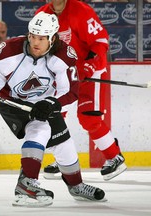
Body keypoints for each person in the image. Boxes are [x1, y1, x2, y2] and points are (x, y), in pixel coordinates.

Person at [0, 12, 106, 207]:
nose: (35, 42)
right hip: (13, 102)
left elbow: (69, 92)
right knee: (40, 128)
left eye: (42, 38)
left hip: (45, 103)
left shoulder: (63, 56)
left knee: (63, 142)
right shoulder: (9, 50)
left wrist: (52, 103)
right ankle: (26, 184)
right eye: (33, 36)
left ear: (53, 38)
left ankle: (76, 185)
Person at [36, 0, 127, 181]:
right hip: (62, 73)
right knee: (54, 114)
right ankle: (63, 159)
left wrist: (89, 64)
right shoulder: (42, 15)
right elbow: (37, 45)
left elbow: (100, 41)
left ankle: (114, 156)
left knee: (88, 117)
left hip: (89, 71)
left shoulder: (80, 11)